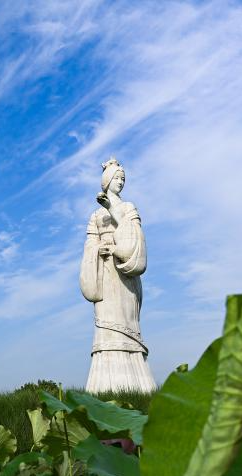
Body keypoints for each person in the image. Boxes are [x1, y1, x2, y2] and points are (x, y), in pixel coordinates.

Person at [79, 158, 157, 393]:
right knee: (107, 327)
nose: (121, 182)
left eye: (123, 179)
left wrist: (111, 209)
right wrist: (97, 249)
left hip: (124, 274)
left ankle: (137, 386)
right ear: (107, 181)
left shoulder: (128, 208)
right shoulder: (95, 216)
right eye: (117, 178)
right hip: (104, 275)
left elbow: (133, 234)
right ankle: (104, 385)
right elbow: (89, 243)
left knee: (127, 322)